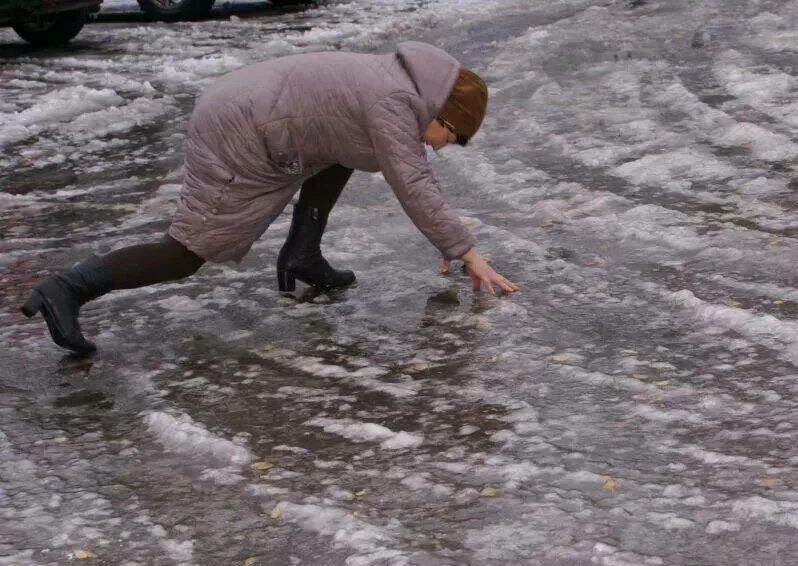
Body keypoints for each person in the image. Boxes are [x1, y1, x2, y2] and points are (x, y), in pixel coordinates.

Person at [19, 42, 518, 356]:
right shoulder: (393, 102)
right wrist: (465, 250)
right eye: (450, 134)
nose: (441, 145)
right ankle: (68, 288)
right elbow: (413, 183)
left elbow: (367, 148)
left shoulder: (397, 82)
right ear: (440, 109)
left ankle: (302, 253)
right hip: (238, 126)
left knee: (344, 149)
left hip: (251, 107)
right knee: (188, 251)